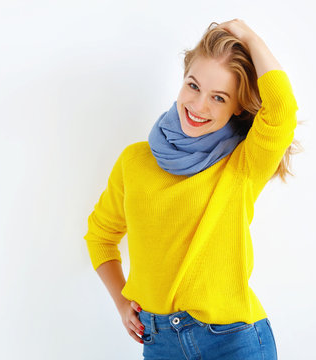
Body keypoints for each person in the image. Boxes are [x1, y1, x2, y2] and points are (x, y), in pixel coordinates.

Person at [83, 19, 301, 360]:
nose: (199, 106)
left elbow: (282, 111)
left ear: (237, 107)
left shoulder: (242, 164)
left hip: (234, 340)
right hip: (160, 343)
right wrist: (121, 302)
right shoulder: (135, 161)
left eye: (219, 97)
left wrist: (246, 34)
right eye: (193, 86)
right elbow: (99, 236)